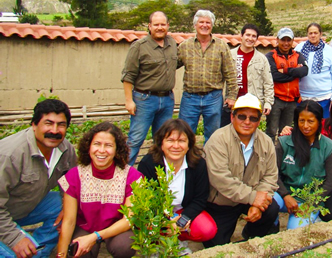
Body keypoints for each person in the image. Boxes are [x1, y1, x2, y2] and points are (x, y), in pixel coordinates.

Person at [0, 99, 77, 258]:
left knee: (67, 206)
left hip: (22, 209)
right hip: (3, 216)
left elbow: (72, 182)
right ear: (34, 125)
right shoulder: (11, 154)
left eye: (61, 125)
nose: (54, 130)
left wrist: (66, 205)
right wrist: (15, 239)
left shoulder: (65, 150)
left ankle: (38, 252)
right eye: (48, 123)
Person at [203, 94, 279, 247]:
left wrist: (257, 204)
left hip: (248, 199)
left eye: (253, 118)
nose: (247, 122)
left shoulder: (266, 142)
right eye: (242, 116)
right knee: (216, 246)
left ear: (259, 121)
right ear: (232, 117)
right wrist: (252, 197)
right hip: (222, 202)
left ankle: (250, 234)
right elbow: (220, 179)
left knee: (271, 209)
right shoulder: (218, 139)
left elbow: (270, 176)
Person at [56, 122, 142, 258]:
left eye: (108, 145)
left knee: (124, 246)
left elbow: (128, 220)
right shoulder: (74, 176)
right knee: (78, 250)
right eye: (97, 144)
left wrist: (95, 236)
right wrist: (61, 255)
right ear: (88, 147)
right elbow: (69, 220)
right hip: (85, 228)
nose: (101, 150)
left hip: (117, 230)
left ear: (117, 149)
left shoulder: (131, 176)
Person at [138, 119, 217, 252]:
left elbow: (200, 198)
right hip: (156, 215)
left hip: (183, 212)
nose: (176, 146)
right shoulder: (148, 164)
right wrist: (167, 221)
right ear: (161, 143)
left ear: (189, 144)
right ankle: (157, 246)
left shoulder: (198, 164)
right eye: (170, 140)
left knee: (207, 229)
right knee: (146, 226)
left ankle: (180, 241)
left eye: (181, 141)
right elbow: (146, 201)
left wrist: (183, 219)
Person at [122, 11, 182, 165]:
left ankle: (159, 177)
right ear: (149, 26)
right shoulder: (139, 47)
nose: (160, 27)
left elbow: (175, 64)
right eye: (156, 25)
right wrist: (129, 101)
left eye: (163, 24)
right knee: (136, 139)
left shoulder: (172, 44)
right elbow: (128, 75)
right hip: (144, 100)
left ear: (168, 26)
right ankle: (122, 176)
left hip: (167, 100)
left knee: (163, 141)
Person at [274, 101, 332, 228]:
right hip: (282, 195)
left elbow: (330, 181)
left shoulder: (328, 147)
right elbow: (273, 173)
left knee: (296, 231)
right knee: (268, 205)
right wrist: (285, 195)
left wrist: (312, 202)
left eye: (311, 121)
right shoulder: (284, 142)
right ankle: (271, 228)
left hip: (308, 200)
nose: (305, 126)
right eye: (301, 120)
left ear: (319, 121)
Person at [178, 10, 238, 142]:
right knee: (184, 134)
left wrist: (231, 96)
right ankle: (185, 161)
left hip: (213, 98)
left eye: (208, 22)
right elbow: (169, 66)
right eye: (201, 22)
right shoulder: (184, 46)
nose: (204, 25)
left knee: (213, 136)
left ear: (212, 25)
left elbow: (231, 73)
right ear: (195, 25)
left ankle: (209, 162)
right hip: (190, 98)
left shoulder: (221, 46)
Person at [221, 24, 274, 127]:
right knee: (228, 134)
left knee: (249, 133)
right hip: (232, 103)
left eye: (253, 36)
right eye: (247, 35)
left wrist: (268, 103)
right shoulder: (229, 55)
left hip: (252, 104)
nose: (250, 38)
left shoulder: (262, 59)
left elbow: (268, 83)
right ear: (241, 36)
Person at [265, 27, 308, 141]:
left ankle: (282, 155)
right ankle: (268, 155)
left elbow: (304, 71)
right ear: (277, 40)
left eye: (288, 40)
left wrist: (285, 70)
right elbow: (274, 76)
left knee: (286, 132)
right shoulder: (270, 56)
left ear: (293, 41)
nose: (286, 43)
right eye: (283, 40)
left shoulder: (298, 55)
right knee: (271, 131)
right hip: (276, 99)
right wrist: (295, 72)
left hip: (292, 101)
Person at [295, 23, 332, 118]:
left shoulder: (329, 51)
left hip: (324, 98)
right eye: (310, 33)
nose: (313, 35)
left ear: (320, 34)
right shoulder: (299, 48)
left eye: (315, 33)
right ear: (307, 34)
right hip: (302, 97)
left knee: (323, 125)